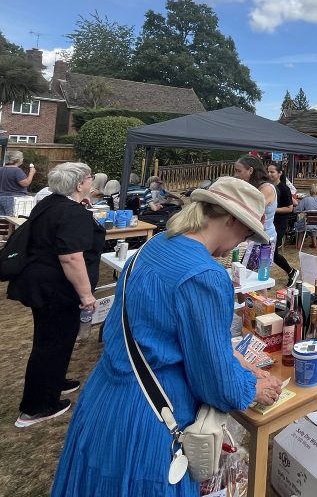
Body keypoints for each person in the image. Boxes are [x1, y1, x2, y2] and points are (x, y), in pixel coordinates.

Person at [51, 177, 284, 495]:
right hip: (151, 421)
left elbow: (163, 332)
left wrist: (242, 363)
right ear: (230, 219)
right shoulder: (206, 274)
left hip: (104, 398)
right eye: (245, 232)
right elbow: (217, 386)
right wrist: (253, 386)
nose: (241, 243)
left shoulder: (154, 245)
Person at [7, 162, 105, 428]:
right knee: (50, 343)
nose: (91, 181)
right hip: (57, 288)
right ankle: (36, 407)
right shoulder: (71, 212)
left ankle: (55, 382)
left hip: (42, 282)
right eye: (89, 177)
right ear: (78, 184)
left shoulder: (51, 202)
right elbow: (71, 258)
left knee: (55, 340)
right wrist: (86, 295)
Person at [232, 156, 298, 286]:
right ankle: (246, 303)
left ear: (250, 170)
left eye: (238, 171)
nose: (235, 175)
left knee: (253, 278)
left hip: (263, 238)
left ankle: (291, 272)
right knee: (247, 278)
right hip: (256, 237)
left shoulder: (266, 188)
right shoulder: (254, 186)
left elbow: (252, 210)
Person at [0, 151, 35, 216]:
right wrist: (31, 173)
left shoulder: (0, 170)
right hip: (14, 198)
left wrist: (1, 181)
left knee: (1, 220)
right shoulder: (17, 171)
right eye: (22, 158)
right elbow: (25, 183)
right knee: (12, 221)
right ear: (17, 160)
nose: (23, 159)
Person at [267, 161, 297, 244]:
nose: (269, 174)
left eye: (272, 172)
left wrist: (272, 209)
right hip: (268, 223)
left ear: (279, 173)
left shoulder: (284, 189)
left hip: (279, 223)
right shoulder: (267, 187)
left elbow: (289, 208)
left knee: (273, 251)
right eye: (268, 172)